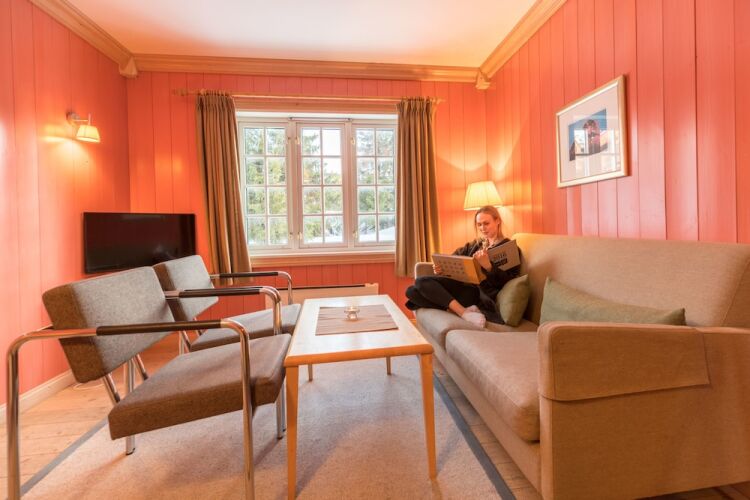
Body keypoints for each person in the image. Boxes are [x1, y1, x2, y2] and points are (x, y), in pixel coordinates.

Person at [405, 205, 521, 327]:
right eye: (479, 224)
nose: (482, 228)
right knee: (411, 291)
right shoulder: (475, 245)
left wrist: (489, 267)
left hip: (479, 295)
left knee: (419, 286)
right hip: (462, 287)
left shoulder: (509, 248)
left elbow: (508, 281)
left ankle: (462, 312)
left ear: (497, 221)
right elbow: (453, 258)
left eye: (486, 223)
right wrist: (442, 268)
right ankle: (462, 310)